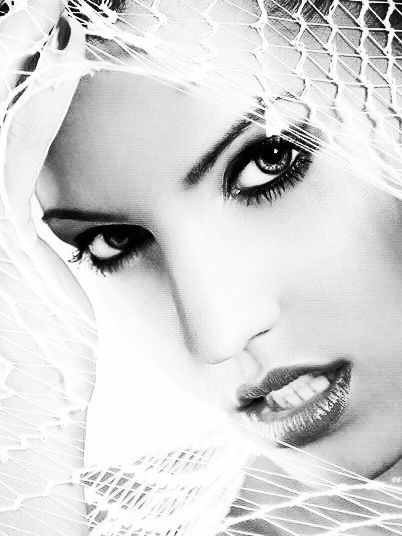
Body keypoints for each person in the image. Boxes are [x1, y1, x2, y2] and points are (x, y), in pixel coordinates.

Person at [1, 0, 402, 534]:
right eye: (114, 242)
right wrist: (27, 402)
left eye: (269, 163)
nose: (217, 336)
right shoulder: (55, 510)